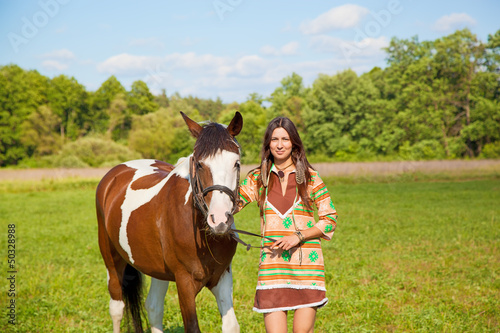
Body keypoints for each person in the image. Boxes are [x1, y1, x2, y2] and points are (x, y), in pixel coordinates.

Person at [238, 117, 338, 333]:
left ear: (294, 143)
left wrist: (298, 236)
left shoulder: (311, 178)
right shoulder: (257, 178)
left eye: (285, 139)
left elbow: (329, 220)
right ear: (268, 143)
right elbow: (231, 204)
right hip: (272, 268)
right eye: (274, 139)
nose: (280, 144)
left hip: (306, 269)